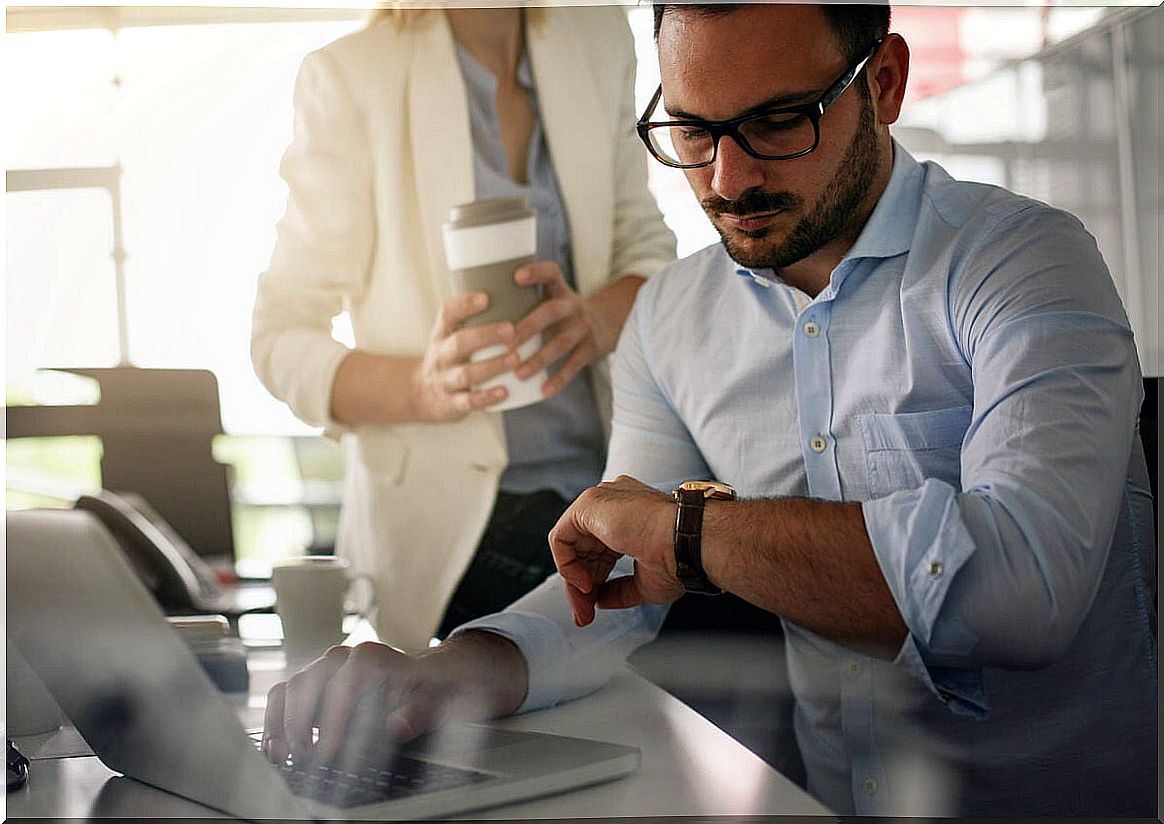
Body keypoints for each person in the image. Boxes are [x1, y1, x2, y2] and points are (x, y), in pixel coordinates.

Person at [261, 4, 1157, 816]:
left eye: (776, 122)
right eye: (690, 130)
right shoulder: (672, 317)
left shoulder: (1026, 262)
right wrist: (442, 674)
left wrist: (685, 534)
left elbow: (1020, 595)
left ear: (882, 82)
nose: (729, 178)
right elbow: (617, 593)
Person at [251, 6, 676, 651]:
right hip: (452, 534)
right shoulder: (351, 76)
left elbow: (648, 254)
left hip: (604, 486)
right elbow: (279, 336)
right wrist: (420, 389)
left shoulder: (596, 37)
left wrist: (595, 318)